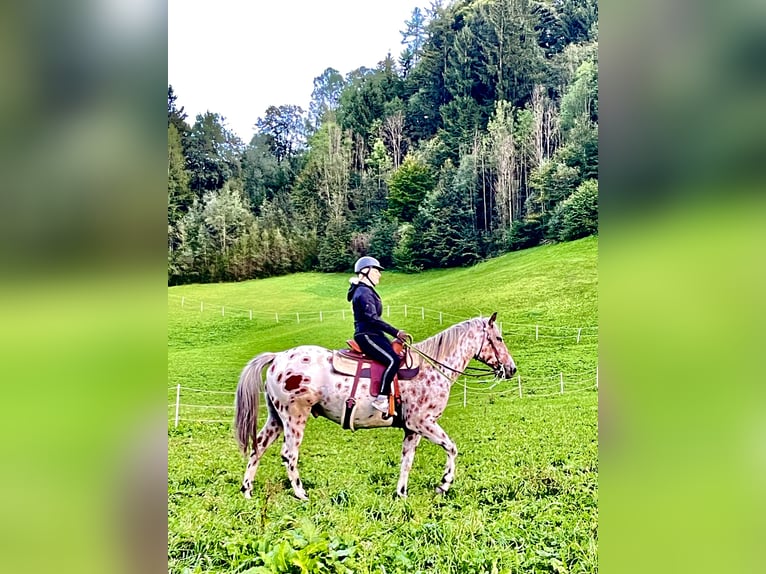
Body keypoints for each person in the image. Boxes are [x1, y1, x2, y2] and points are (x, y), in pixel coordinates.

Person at [347, 256, 409, 413]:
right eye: (376, 271)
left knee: (397, 353)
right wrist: (396, 332)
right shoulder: (363, 292)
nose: (379, 275)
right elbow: (372, 319)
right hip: (367, 335)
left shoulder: (366, 290)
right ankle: (381, 399)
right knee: (392, 360)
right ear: (365, 271)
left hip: (375, 334)